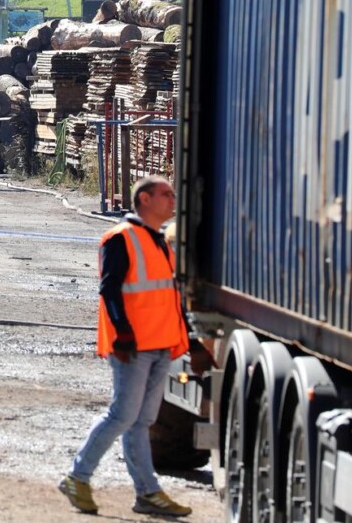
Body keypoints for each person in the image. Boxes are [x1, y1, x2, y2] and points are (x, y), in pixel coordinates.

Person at [58, 175, 214, 517]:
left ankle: (147, 492)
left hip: (160, 345)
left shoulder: (159, 242)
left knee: (141, 421)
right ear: (144, 199)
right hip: (133, 347)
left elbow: (171, 301)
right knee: (122, 415)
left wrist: (191, 344)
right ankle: (77, 476)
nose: (173, 201)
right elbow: (109, 290)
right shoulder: (120, 239)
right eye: (166, 195)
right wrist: (124, 335)